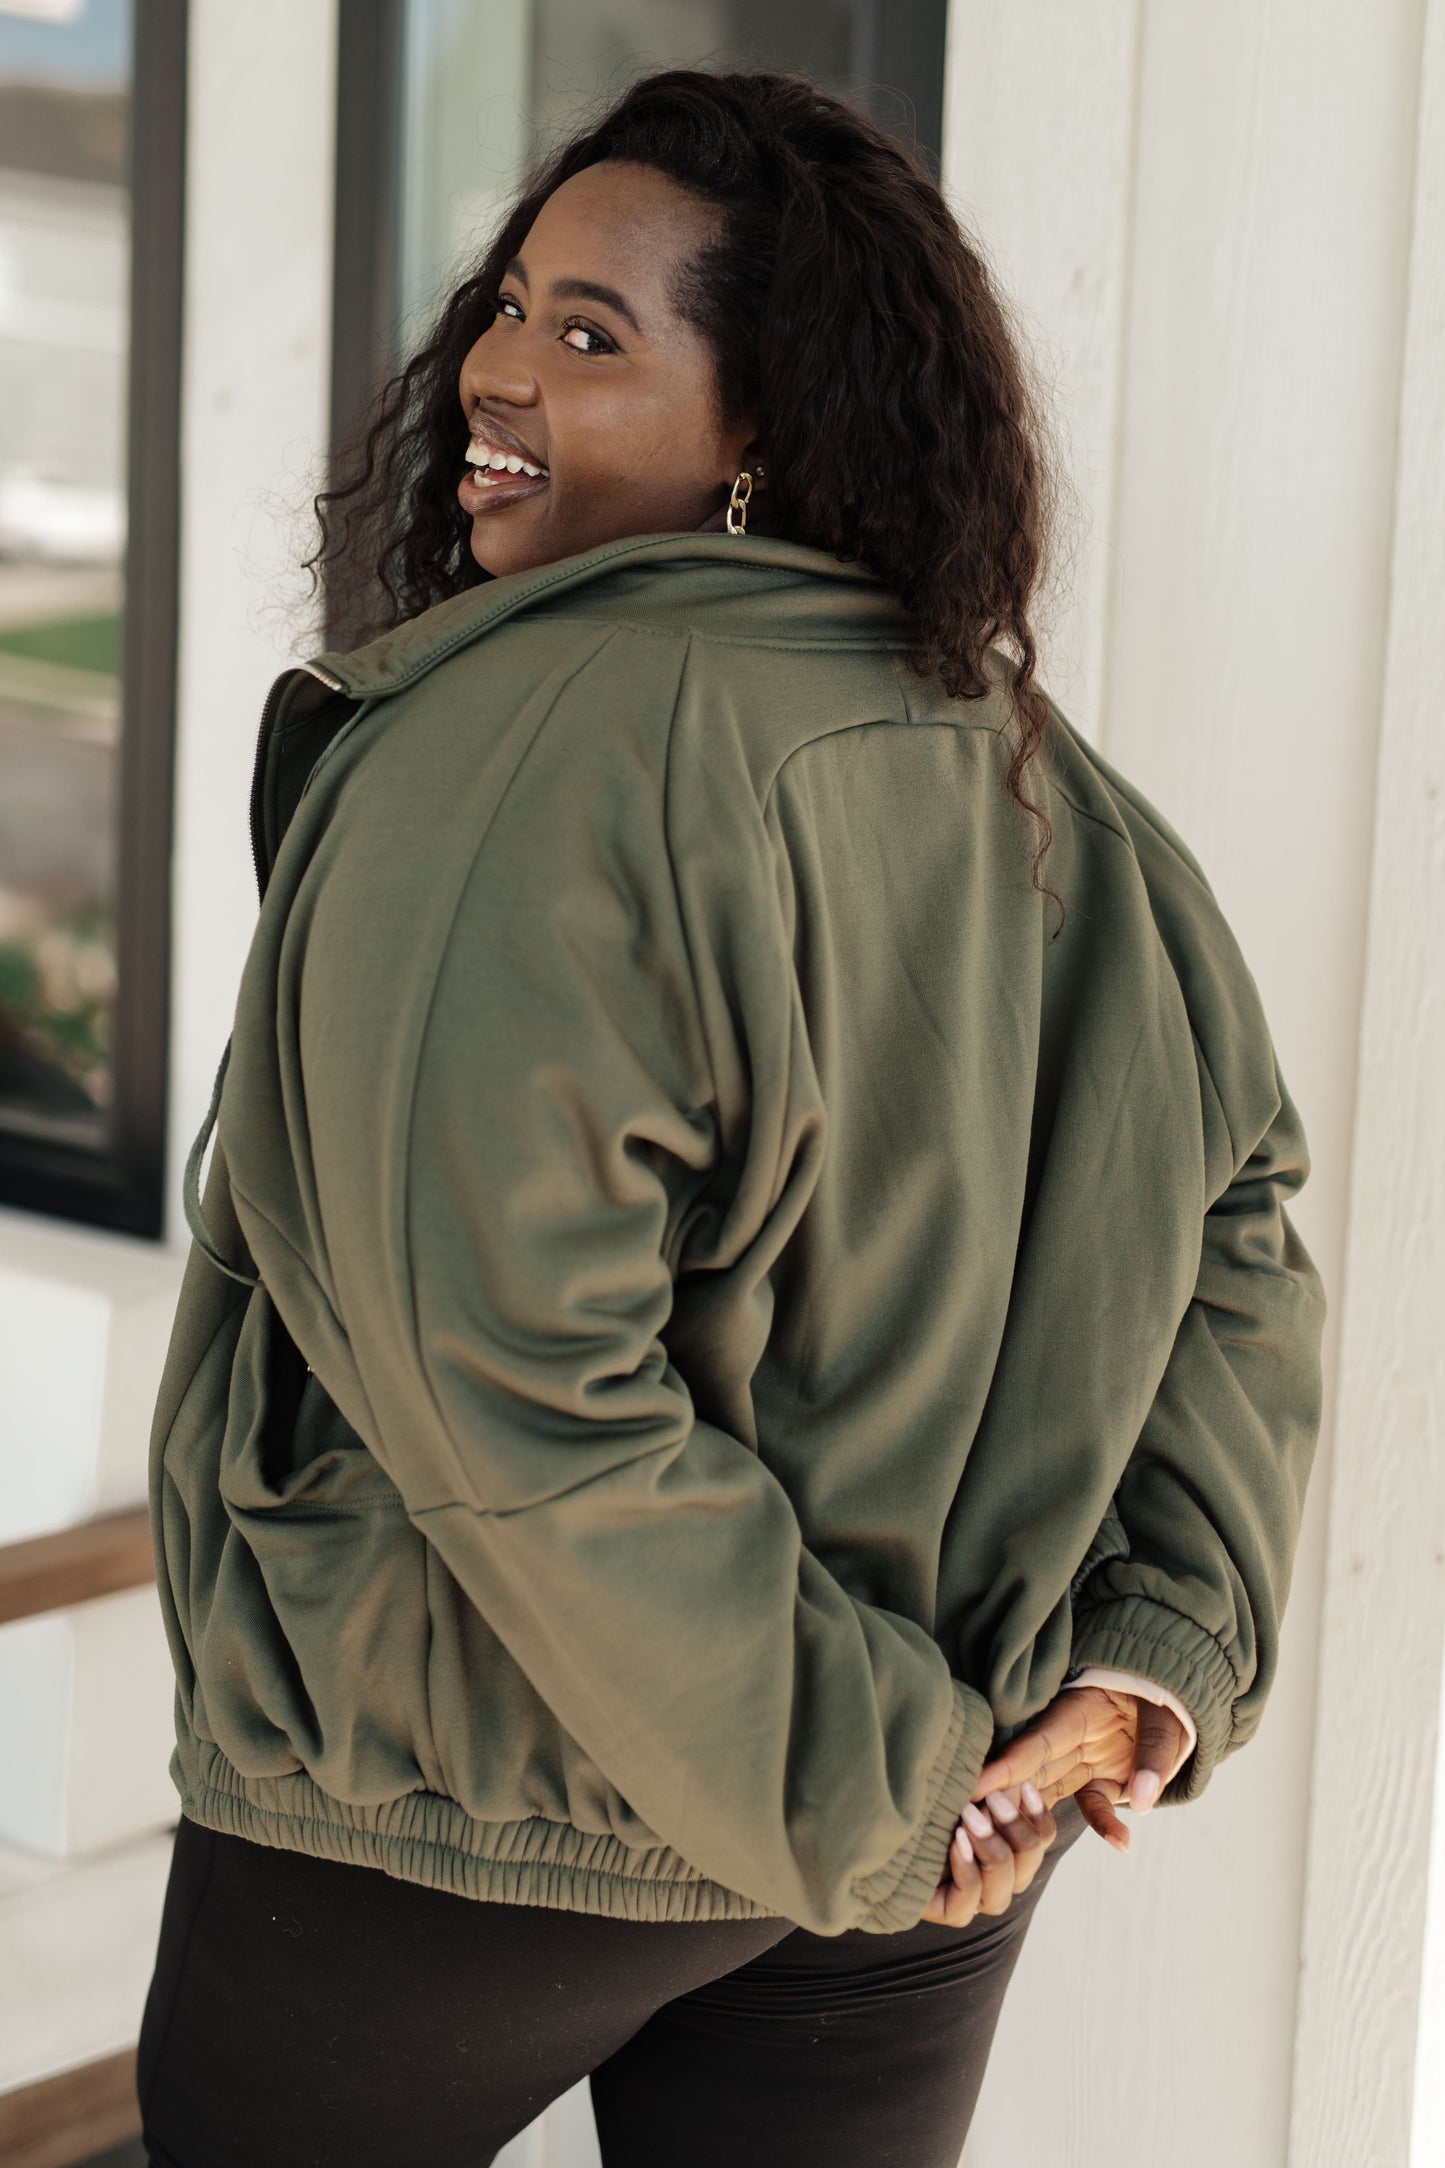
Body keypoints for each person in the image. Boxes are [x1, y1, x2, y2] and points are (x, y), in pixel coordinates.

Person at [135, 65, 1327, 2168]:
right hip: (921, 1834)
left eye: (594, 335)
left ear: (761, 420)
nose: (498, 367)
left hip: (468, 1820)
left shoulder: (511, 749)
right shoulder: (1025, 764)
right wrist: (1144, 1659)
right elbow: (1231, 1219)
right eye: (512, 302)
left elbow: (509, 1376)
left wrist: (870, 1783)